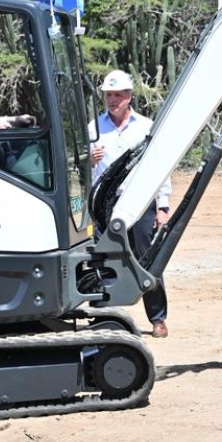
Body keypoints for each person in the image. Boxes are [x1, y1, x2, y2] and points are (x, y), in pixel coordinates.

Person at [90, 69, 172, 338]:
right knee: (104, 259)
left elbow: (159, 166)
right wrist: (88, 160)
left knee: (147, 258)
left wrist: (162, 206)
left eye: (117, 95)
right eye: (108, 95)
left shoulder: (146, 126)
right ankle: (105, 316)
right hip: (105, 204)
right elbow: (80, 169)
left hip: (139, 201)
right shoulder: (93, 128)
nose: (112, 100)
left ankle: (157, 318)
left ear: (129, 97)